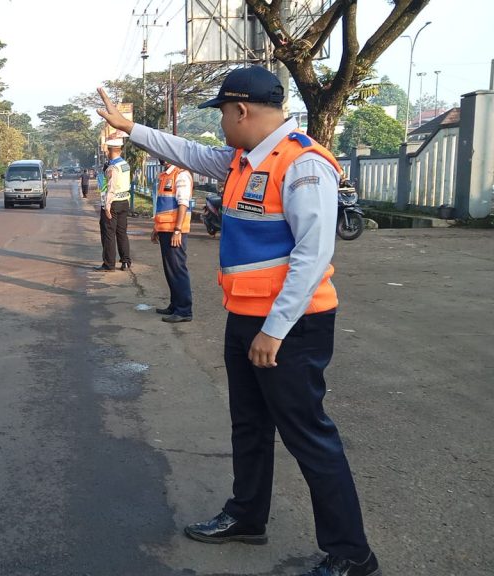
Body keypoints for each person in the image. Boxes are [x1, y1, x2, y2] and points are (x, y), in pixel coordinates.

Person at [97, 66, 380, 576]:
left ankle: (352, 553)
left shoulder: (302, 165)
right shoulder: (242, 160)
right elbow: (185, 151)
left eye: (223, 113)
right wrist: (128, 127)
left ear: (241, 110)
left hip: (290, 327)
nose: (221, 125)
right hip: (246, 318)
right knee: (249, 425)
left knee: (308, 435)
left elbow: (313, 254)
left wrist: (275, 329)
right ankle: (248, 516)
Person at [152, 159, 194, 323]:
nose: (162, 159)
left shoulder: (181, 175)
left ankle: (184, 310)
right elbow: (163, 205)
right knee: (170, 269)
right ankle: (175, 304)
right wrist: (156, 228)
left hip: (175, 231)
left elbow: (183, 204)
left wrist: (177, 230)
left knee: (177, 269)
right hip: (165, 229)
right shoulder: (165, 175)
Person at [95, 139, 132, 271]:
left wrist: (107, 206)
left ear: (110, 151)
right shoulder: (125, 164)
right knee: (122, 232)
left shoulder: (112, 168)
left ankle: (109, 264)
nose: (105, 153)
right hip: (124, 202)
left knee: (109, 233)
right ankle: (126, 261)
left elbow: (110, 187)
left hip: (113, 202)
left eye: (106, 150)